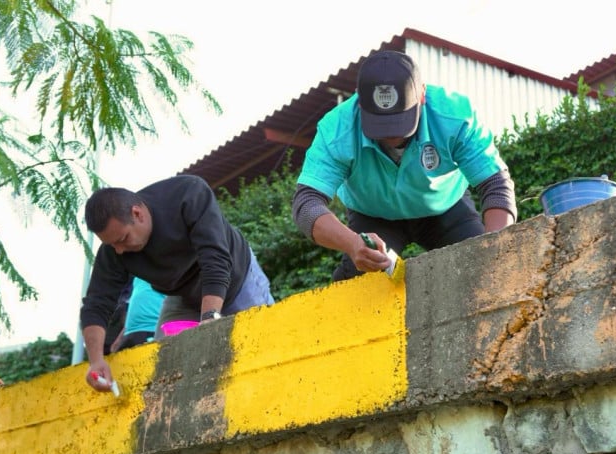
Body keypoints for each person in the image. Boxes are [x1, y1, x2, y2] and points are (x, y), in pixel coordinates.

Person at [292, 50, 517, 281]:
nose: (392, 137)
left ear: (422, 95)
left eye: (400, 121)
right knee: (358, 289)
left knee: (482, 269)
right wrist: (352, 243)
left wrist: (495, 248)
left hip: (446, 208)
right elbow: (306, 204)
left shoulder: (456, 116)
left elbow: (496, 186)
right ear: (359, 102)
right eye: (379, 124)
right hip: (373, 216)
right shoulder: (335, 131)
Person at [80, 174, 274, 393]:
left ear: (137, 214)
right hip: (183, 296)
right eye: (112, 244)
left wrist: (210, 319)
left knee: (264, 350)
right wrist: (96, 361)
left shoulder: (188, 193)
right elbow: (96, 303)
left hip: (237, 279)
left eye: (122, 239)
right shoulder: (113, 250)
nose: (119, 250)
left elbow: (215, 260)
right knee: (166, 371)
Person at [109, 276, 166, 352]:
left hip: (153, 331)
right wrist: (120, 338)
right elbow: (135, 306)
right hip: (131, 334)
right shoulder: (138, 276)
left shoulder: (172, 271)